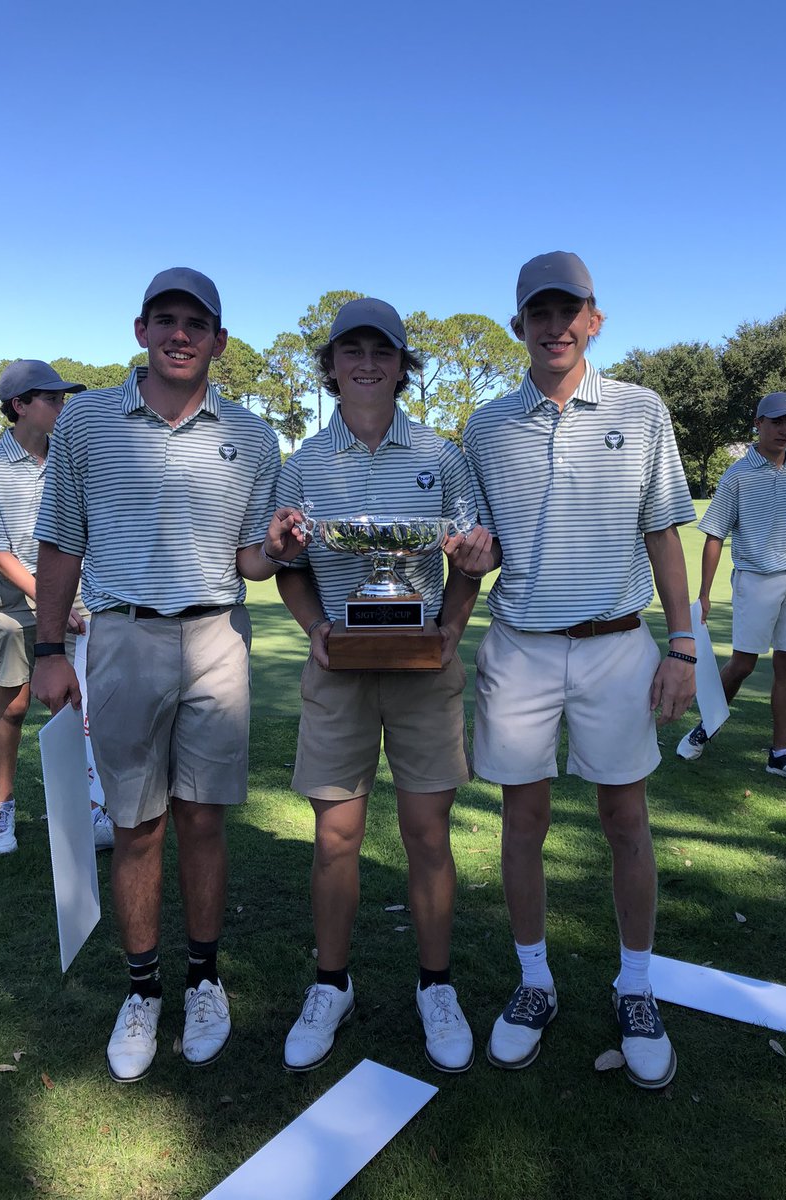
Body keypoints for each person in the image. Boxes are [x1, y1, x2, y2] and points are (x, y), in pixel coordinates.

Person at [31, 268, 304, 1083]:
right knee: (139, 825)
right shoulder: (85, 422)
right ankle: (143, 990)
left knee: (204, 822)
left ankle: (205, 980)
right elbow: (60, 543)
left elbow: (249, 562)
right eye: (166, 320)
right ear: (141, 330)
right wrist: (49, 650)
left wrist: (280, 549)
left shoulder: (254, 437)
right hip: (122, 636)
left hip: (217, 636)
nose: (181, 334)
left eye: (197, 323)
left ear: (220, 340)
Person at [454, 252, 697, 1089]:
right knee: (523, 825)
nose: (555, 325)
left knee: (625, 822)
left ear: (595, 319)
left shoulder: (643, 408)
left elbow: (666, 532)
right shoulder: (485, 427)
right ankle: (533, 982)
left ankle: (635, 986)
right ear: (519, 326)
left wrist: (686, 647)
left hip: (618, 644)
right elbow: (472, 549)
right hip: (519, 646)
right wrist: (467, 558)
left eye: (571, 310)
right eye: (539, 313)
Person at [275, 298, 478, 1075]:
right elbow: (290, 567)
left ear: (402, 364)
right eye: (350, 351)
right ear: (330, 365)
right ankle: (332, 985)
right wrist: (315, 629)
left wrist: (452, 626)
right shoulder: (301, 464)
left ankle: (436, 987)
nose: (366, 363)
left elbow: (467, 559)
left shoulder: (443, 455)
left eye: (382, 352)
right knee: (336, 838)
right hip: (340, 669)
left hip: (424, 670)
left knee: (428, 835)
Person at [0, 360, 114, 855]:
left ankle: (84, 809)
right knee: (13, 706)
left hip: (78, 593)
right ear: (19, 406)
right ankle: (2, 805)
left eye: (62, 398)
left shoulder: (71, 457)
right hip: (17, 598)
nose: (61, 405)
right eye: (51, 398)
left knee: (77, 705)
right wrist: (47, 597)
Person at [677, 391, 786, 785]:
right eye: (776, 422)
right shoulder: (737, 475)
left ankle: (781, 753)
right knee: (743, 664)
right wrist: (705, 593)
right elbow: (714, 535)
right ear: (758, 424)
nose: (784, 430)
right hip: (756, 579)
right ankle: (706, 726)